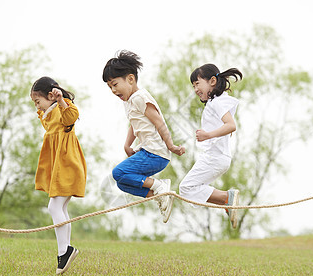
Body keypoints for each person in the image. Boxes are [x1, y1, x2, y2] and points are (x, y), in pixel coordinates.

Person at [102, 50, 185, 223]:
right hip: (147, 151)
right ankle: (159, 195)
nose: (113, 90)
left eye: (115, 84)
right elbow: (135, 123)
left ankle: (161, 186)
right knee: (123, 182)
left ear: (130, 79)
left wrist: (171, 145)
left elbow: (159, 122)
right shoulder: (129, 101)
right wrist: (127, 145)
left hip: (155, 153)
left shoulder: (140, 97)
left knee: (119, 172)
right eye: (110, 86)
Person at [31, 76, 87, 275]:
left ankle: (65, 250)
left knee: (54, 206)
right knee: (60, 206)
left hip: (67, 163)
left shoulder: (64, 109)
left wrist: (60, 99)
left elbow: (71, 116)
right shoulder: (47, 114)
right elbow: (46, 120)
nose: (36, 107)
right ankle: (65, 251)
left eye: (38, 101)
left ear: (49, 95)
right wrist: (46, 105)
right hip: (59, 164)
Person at [179, 64, 242, 228]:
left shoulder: (216, 102)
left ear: (212, 81)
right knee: (188, 188)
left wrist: (208, 135)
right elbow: (226, 127)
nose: (195, 89)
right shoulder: (215, 102)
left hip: (215, 158)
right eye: (193, 86)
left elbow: (231, 125)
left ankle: (226, 198)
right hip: (217, 157)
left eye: (197, 84)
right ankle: (226, 201)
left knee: (186, 188)